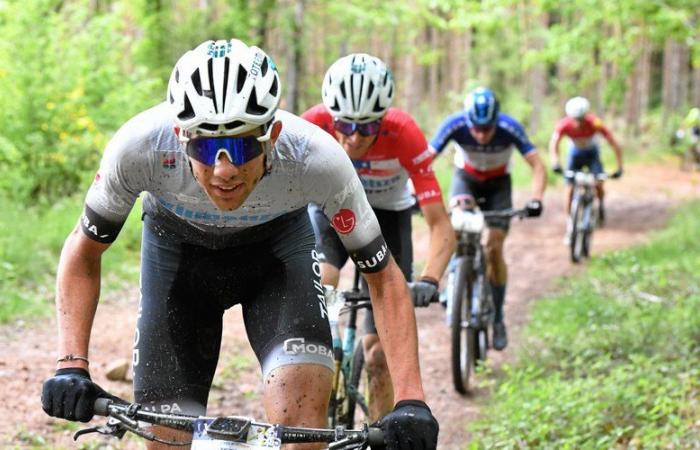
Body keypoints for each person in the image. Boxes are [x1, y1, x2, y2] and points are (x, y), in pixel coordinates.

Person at [40, 39, 439, 450]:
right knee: (165, 439)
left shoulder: (315, 157)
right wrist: (72, 365)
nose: (224, 169)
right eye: (206, 146)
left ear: (273, 135)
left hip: (277, 259)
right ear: (180, 135)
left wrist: (411, 399)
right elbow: (84, 251)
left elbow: (384, 276)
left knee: (302, 427)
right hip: (179, 263)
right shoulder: (139, 147)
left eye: (244, 145)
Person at [301, 53, 455, 421]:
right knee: (324, 278)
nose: (353, 138)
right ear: (329, 114)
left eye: (367, 128)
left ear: (383, 119)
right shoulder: (311, 124)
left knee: (379, 356)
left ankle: (380, 435)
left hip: (388, 216)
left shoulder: (404, 132)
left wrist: (430, 279)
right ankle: (328, 349)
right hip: (333, 208)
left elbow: (440, 223)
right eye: (344, 124)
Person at [430, 87, 547, 351]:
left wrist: (536, 199)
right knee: (457, 228)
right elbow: (424, 160)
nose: (482, 135)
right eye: (477, 130)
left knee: (494, 247)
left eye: (488, 129)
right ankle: (454, 278)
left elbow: (538, 166)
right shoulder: (455, 124)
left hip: (498, 185)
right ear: (468, 121)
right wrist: (417, 193)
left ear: (496, 121)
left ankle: (498, 318)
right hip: (466, 180)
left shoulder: (509, 127)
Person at [549, 96, 623, 226]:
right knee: (569, 187)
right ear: (570, 117)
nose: (579, 123)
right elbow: (554, 143)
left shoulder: (595, 123)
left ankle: (600, 206)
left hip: (592, 155)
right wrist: (555, 162)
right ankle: (570, 223)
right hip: (575, 155)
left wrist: (619, 167)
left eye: (582, 119)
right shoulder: (564, 124)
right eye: (576, 119)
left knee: (599, 182)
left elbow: (613, 142)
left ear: (586, 115)